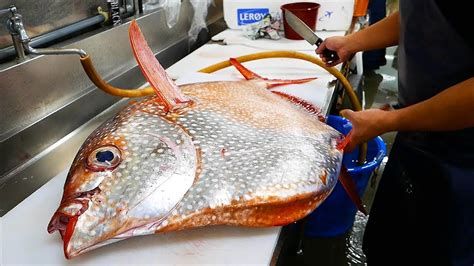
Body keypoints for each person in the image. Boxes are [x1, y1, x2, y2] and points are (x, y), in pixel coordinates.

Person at [316, 0, 474, 265]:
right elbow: (421, 14)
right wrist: (353, 42)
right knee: (388, 246)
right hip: (417, 130)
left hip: (462, 158)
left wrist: (392, 120)